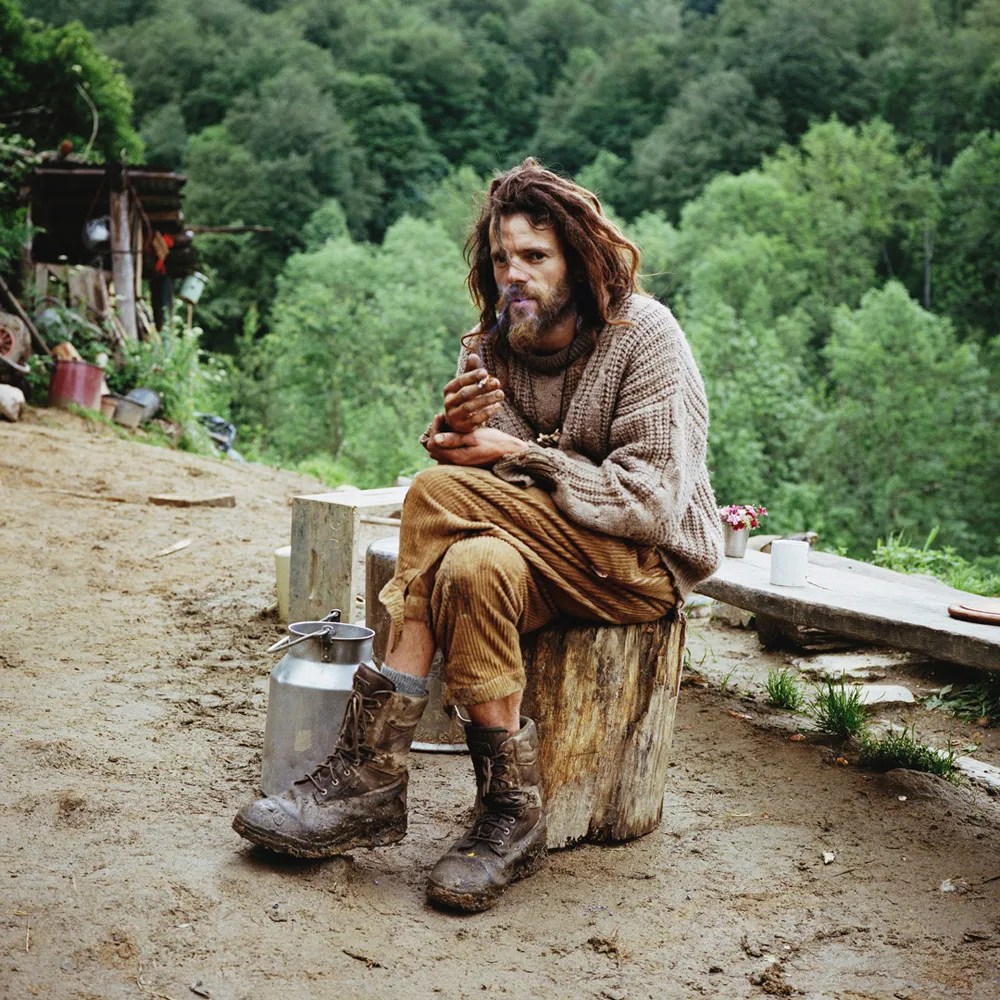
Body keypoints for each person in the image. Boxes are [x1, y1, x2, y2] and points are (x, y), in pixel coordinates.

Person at [233, 158, 723, 912]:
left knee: (432, 496)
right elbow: (486, 494)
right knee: (473, 567)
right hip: (541, 556)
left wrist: (518, 454)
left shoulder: (643, 334)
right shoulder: (490, 343)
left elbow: (649, 503)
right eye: (502, 258)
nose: (513, 274)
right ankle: (510, 814)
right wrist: (456, 436)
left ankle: (372, 772)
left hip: (641, 564)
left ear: (579, 260)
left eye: (535, 256)